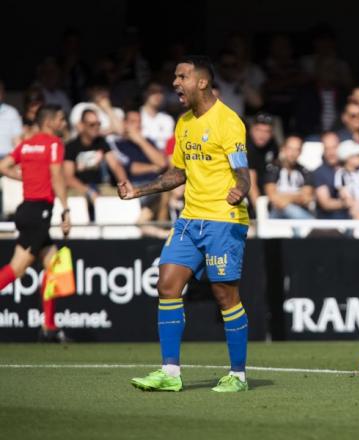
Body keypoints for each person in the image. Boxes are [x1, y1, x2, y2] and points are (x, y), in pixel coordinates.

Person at [118, 56, 251, 393]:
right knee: (167, 284)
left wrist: (242, 190)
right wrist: (139, 190)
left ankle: (238, 376)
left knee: (225, 296)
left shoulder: (229, 122)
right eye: (174, 76)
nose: (175, 83)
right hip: (190, 219)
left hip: (224, 220)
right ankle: (170, 373)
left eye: (182, 76)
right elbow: (178, 173)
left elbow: (242, 170)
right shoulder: (184, 123)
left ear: (202, 82)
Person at [0, 104, 71, 342]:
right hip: (39, 211)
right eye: (61, 118)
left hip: (27, 211)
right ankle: (49, 326)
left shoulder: (27, 144)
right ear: (50, 121)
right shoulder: (53, 144)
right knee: (17, 268)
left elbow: (2, 167)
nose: (63, 122)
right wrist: (66, 209)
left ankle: (49, 327)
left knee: (53, 264)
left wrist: (24, 176)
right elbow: (57, 176)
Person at [64, 109, 128, 219]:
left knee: (122, 196)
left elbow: (116, 166)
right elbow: (68, 177)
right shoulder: (71, 146)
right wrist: (88, 191)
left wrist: (124, 184)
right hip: (79, 189)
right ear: (82, 125)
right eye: (92, 124)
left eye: (98, 124)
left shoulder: (101, 143)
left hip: (101, 187)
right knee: (84, 199)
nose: (96, 127)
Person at [263, 135, 314, 220]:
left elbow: (306, 198)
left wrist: (284, 198)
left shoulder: (305, 172)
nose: (293, 153)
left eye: (296, 149)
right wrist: (297, 196)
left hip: (299, 213)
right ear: (283, 149)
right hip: (277, 214)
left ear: (300, 152)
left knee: (292, 210)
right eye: (290, 148)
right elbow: (273, 198)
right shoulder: (273, 169)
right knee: (287, 209)